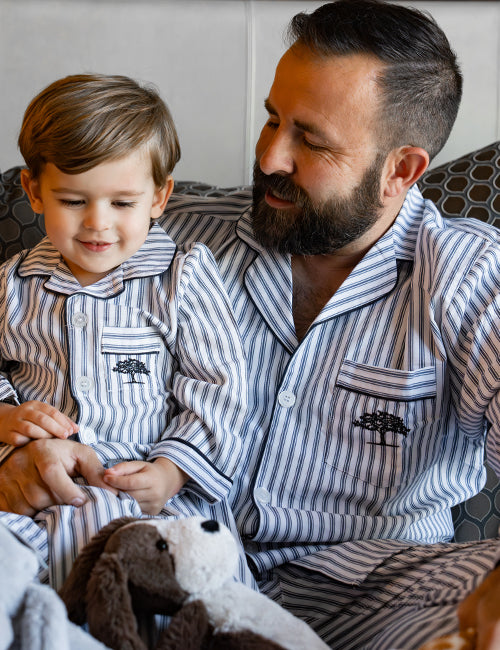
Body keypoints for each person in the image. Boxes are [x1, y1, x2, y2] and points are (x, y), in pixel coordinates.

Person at [0, 2, 499, 649]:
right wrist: (12, 451)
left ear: (400, 171)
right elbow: (35, 347)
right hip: (164, 568)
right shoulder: (158, 239)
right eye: (271, 119)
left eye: (310, 140)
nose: (268, 156)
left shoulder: (470, 272)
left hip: (380, 597)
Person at [0, 73, 247, 592]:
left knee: (193, 579)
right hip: (40, 500)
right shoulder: (13, 283)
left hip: (151, 497)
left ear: (159, 197)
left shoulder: (182, 276)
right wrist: (6, 418)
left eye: (122, 203)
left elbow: (219, 389)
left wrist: (172, 471)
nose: (97, 224)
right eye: (72, 200)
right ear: (33, 191)